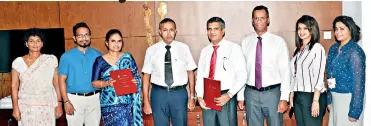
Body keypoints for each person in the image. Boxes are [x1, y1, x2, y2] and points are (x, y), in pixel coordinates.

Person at [239, 5, 291, 126]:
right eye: (256, 18)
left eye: (262, 18)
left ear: (268, 20)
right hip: (251, 94)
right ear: (252, 21)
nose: (259, 21)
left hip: (272, 93)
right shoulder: (246, 42)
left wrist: (284, 98)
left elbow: (285, 71)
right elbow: (242, 71)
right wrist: (240, 96)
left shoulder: (278, 42)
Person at [142, 18, 197, 126]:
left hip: (179, 94)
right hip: (158, 94)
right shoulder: (151, 50)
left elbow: (191, 73)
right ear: (159, 32)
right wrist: (146, 101)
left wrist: (192, 96)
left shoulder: (184, 48)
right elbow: (146, 76)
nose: (168, 33)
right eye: (165, 30)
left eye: (171, 30)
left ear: (175, 31)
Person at [196, 17, 247, 126]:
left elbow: (242, 75)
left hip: (225, 96)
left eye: (216, 29)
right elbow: (200, 76)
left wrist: (229, 94)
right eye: (209, 29)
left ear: (223, 31)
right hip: (207, 97)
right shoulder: (205, 51)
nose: (212, 32)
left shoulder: (234, 48)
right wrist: (199, 96)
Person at [11, 28, 63, 125]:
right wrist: (15, 108)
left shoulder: (51, 60)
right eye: (31, 41)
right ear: (26, 44)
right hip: (26, 107)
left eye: (38, 41)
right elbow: (14, 87)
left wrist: (59, 104)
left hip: (47, 106)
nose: (35, 44)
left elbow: (56, 84)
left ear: (42, 44)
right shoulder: (17, 62)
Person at [91, 29, 143, 126]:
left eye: (119, 41)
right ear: (107, 43)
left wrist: (136, 81)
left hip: (128, 103)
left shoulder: (127, 57)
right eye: (113, 41)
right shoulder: (100, 61)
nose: (116, 44)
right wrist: (107, 83)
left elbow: (137, 77)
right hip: (109, 105)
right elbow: (94, 83)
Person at [58, 22, 102, 126]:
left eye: (86, 34)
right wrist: (66, 102)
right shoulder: (66, 56)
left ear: (90, 36)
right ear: (74, 38)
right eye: (80, 35)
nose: (84, 38)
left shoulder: (98, 55)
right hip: (74, 100)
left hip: (94, 99)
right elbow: (61, 80)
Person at [327, 15, 365, 126]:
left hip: (348, 100)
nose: (338, 32)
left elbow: (359, 84)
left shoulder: (355, 52)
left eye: (342, 28)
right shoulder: (333, 48)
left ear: (350, 29)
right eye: (336, 29)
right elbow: (329, 75)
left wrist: (355, 110)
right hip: (335, 98)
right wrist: (329, 99)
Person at [288, 15, 327, 126]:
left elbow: (319, 75)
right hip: (298, 95)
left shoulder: (317, 48)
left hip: (312, 96)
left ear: (312, 29)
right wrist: (291, 94)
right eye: (299, 28)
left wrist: (315, 101)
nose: (301, 31)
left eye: (305, 28)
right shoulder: (298, 50)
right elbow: (294, 75)